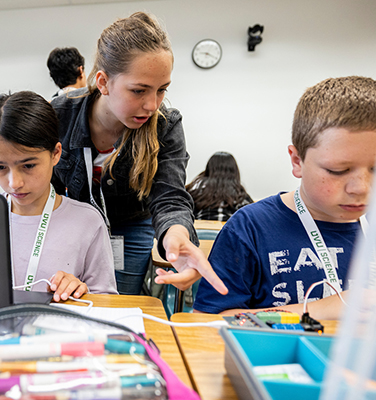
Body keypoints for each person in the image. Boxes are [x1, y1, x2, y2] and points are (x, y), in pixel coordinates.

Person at [50, 12, 227, 296]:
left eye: (161, 90)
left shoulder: (166, 126)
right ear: (103, 82)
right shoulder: (60, 115)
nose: (152, 105)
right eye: (139, 90)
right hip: (73, 223)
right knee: (68, 297)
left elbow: (169, 196)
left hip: (131, 226)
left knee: (119, 299)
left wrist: (177, 235)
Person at [193, 76, 376, 319]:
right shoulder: (251, 228)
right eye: (337, 170)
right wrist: (316, 310)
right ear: (297, 160)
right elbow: (206, 321)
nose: (361, 188)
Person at [0, 91, 118, 302]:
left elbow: (107, 301)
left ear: (55, 154)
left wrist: (81, 291)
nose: (14, 183)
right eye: (0, 167)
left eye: (28, 166)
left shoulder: (87, 222)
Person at [186, 151, 253, 221]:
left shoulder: (196, 195)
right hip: (228, 231)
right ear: (235, 172)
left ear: (209, 170)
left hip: (198, 230)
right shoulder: (241, 198)